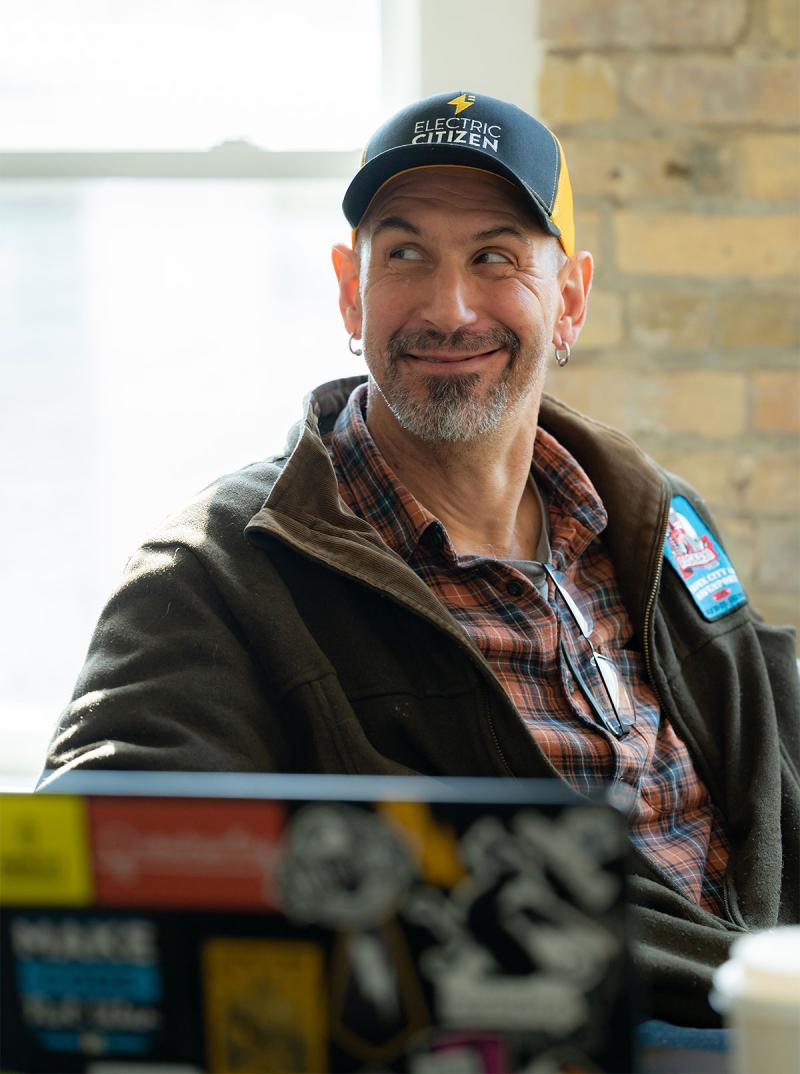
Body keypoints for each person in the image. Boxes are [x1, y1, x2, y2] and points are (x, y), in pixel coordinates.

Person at [43, 92, 798, 1027]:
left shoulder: (653, 518)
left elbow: (772, 743)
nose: (450, 308)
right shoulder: (214, 573)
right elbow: (99, 902)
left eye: (495, 257)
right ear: (350, 291)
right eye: (405, 255)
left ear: (569, 299)